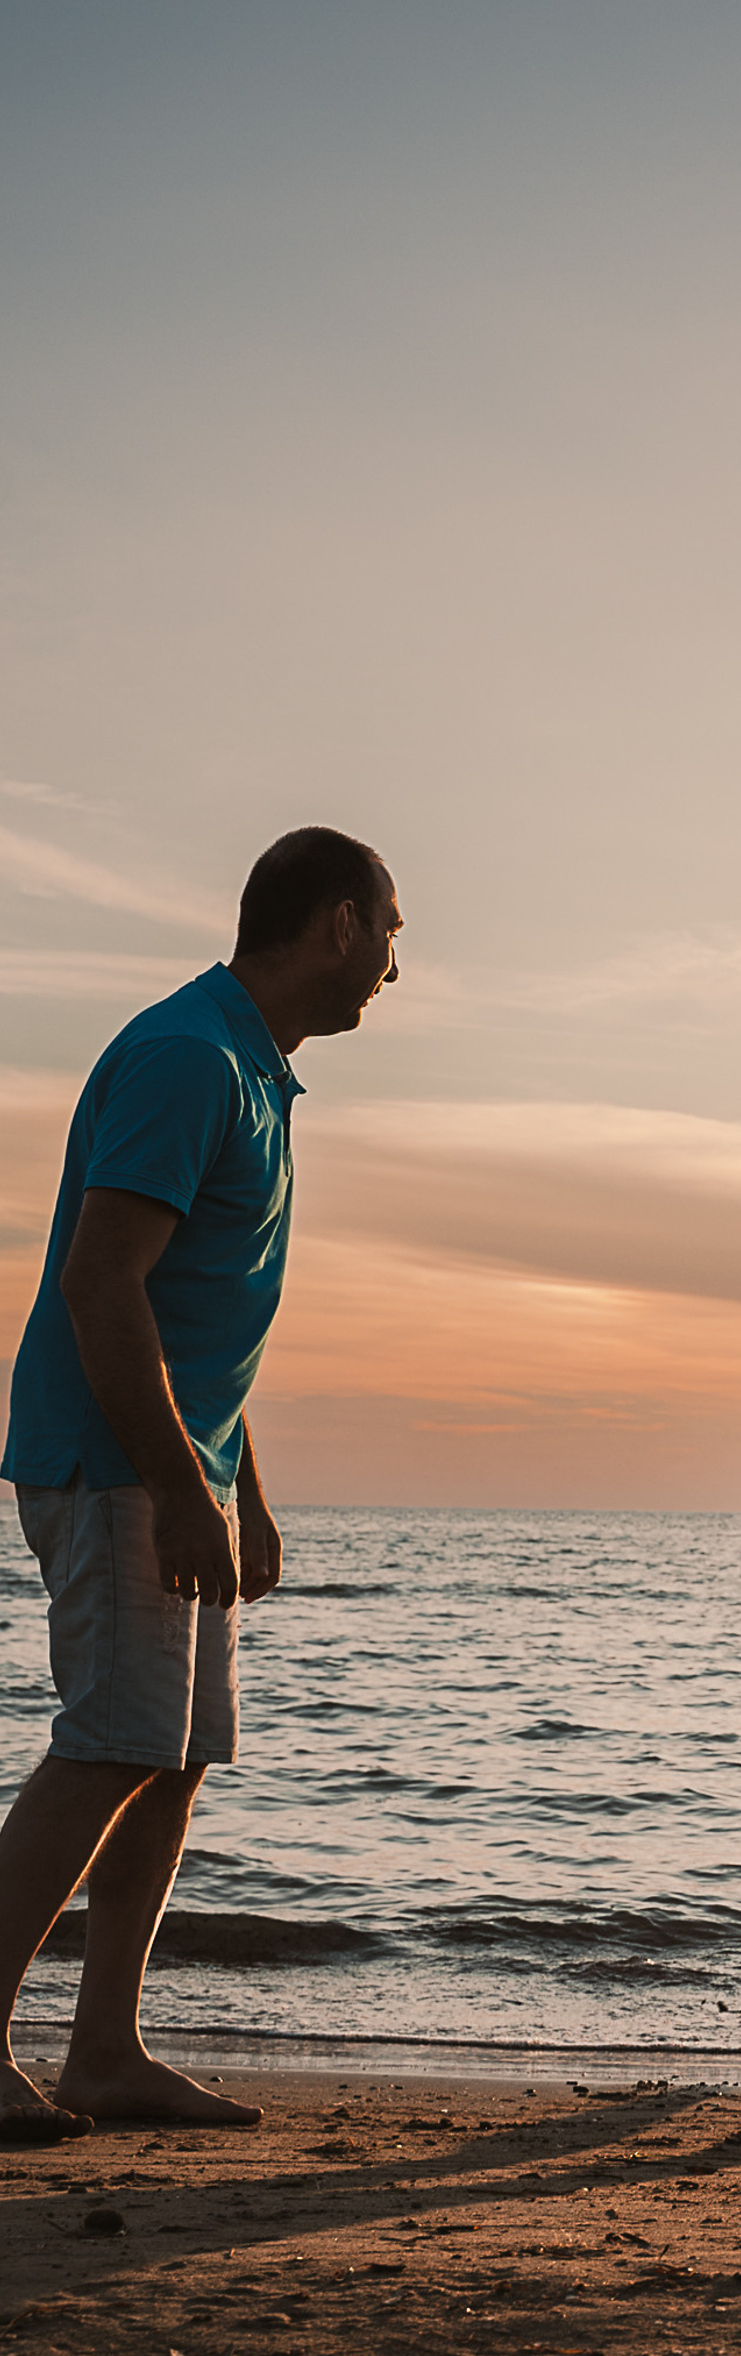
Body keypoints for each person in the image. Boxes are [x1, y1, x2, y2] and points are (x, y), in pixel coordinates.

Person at [0, 828, 402, 2141]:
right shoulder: (187, 1057)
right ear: (338, 923)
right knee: (114, 1741)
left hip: (180, 1469)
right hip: (117, 1466)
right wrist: (177, 1485)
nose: (395, 969)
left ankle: (105, 2050)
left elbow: (197, 1319)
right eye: (393, 931)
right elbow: (102, 1284)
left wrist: (242, 1485)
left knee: (173, 1761)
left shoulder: (251, 1070)